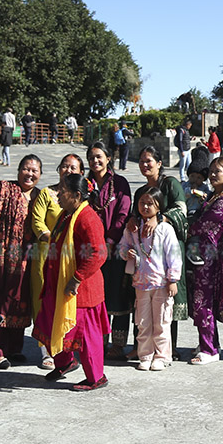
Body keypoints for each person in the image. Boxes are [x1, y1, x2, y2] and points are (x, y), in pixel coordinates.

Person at [32, 173, 110, 391]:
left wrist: (76, 279)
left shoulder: (87, 217)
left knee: (86, 334)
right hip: (58, 284)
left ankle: (96, 377)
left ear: (76, 195)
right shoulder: (67, 215)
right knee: (53, 324)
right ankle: (65, 363)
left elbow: (98, 253)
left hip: (81, 289)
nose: (57, 195)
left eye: (62, 191)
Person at [0, 154, 44, 369]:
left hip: (28, 261)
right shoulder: (3, 190)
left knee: (20, 303)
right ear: (18, 171)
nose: (30, 174)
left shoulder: (40, 197)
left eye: (35, 171)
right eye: (26, 169)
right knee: (0, 302)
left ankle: (14, 348)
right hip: (2, 258)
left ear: (40, 175)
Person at [27, 153, 85, 370]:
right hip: (46, 255)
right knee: (44, 302)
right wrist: (53, 240)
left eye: (74, 167)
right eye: (65, 166)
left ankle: (68, 350)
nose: (69, 171)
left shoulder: (82, 198)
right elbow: (37, 221)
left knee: (70, 302)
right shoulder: (47, 193)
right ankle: (46, 352)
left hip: (72, 259)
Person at [133, 145, 190, 360]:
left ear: (159, 163)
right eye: (141, 161)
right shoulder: (140, 192)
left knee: (166, 300)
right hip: (145, 255)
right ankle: (143, 348)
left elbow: (181, 211)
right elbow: (136, 215)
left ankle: (169, 348)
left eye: (149, 161)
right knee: (144, 304)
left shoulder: (171, 184)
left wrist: (160, 218)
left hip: (168, 249)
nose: (144, 165)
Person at [118, 187, 182, 371]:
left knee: (161, 321)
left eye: (150, 203)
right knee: (143, 321)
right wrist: (126, 252)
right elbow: (123, 247)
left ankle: (162, 355)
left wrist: (173, 279)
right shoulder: (132, 228)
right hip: (141, 282)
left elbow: (174, 255)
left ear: (159, 206)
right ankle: (145, 354)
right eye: (142, 203)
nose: (145, 207)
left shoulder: (165, 228)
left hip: (161, 283)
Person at [186, 155, 223, 365]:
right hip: (200, 257)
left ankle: (209, 349)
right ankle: (209, 342)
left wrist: (187, 227)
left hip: (210, 259)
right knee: (200, 302)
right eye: (212, 171)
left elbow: (203, 224)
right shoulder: (214, 196)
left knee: (204, 302)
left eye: (218, 172)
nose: (213, 175)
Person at [86, 141, 133, 357]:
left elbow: (123, 213)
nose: (96, 161)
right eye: (92, 157)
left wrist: (110, 239)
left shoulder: (120, 183)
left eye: (99, 156)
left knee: (118, 295)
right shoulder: (85, 184)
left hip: (115, 249)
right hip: (90, 250)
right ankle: (98, 341)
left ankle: (118, 344)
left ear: (108, 158)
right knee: (96, 297)